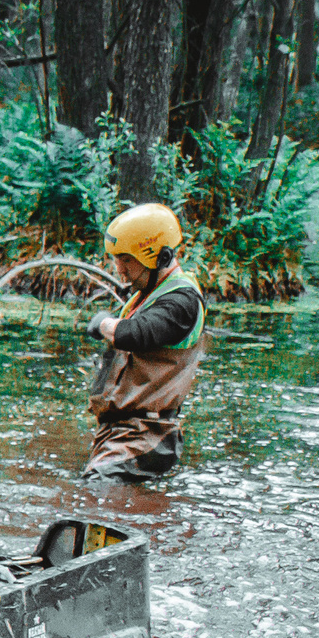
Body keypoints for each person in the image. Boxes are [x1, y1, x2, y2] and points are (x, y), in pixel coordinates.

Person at [84, 202, 204, 478]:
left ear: (159, 257)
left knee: (95, 496)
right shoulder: (152, 293)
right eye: (116, 259)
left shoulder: (182, 302)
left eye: (126, 259)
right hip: (125, 433)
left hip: (146, 437)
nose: (119, 269)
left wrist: (104, 323)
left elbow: (134, 334)